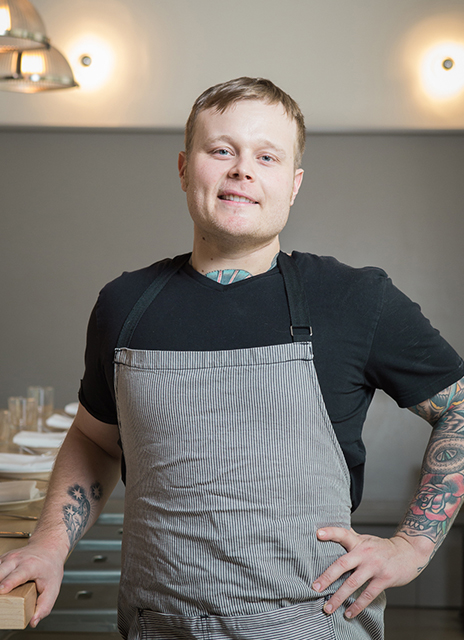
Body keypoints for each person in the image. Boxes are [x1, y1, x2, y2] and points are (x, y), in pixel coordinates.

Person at [0, 77, 463, 640]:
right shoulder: (124, 304)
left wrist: (412, 547)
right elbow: (95, 438)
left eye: (266, 156)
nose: (242, 169)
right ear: (182, 167)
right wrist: (50, 544)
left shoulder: (354, 298)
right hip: (156, 627)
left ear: (292, 185)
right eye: (222, 150)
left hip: (307, 625)